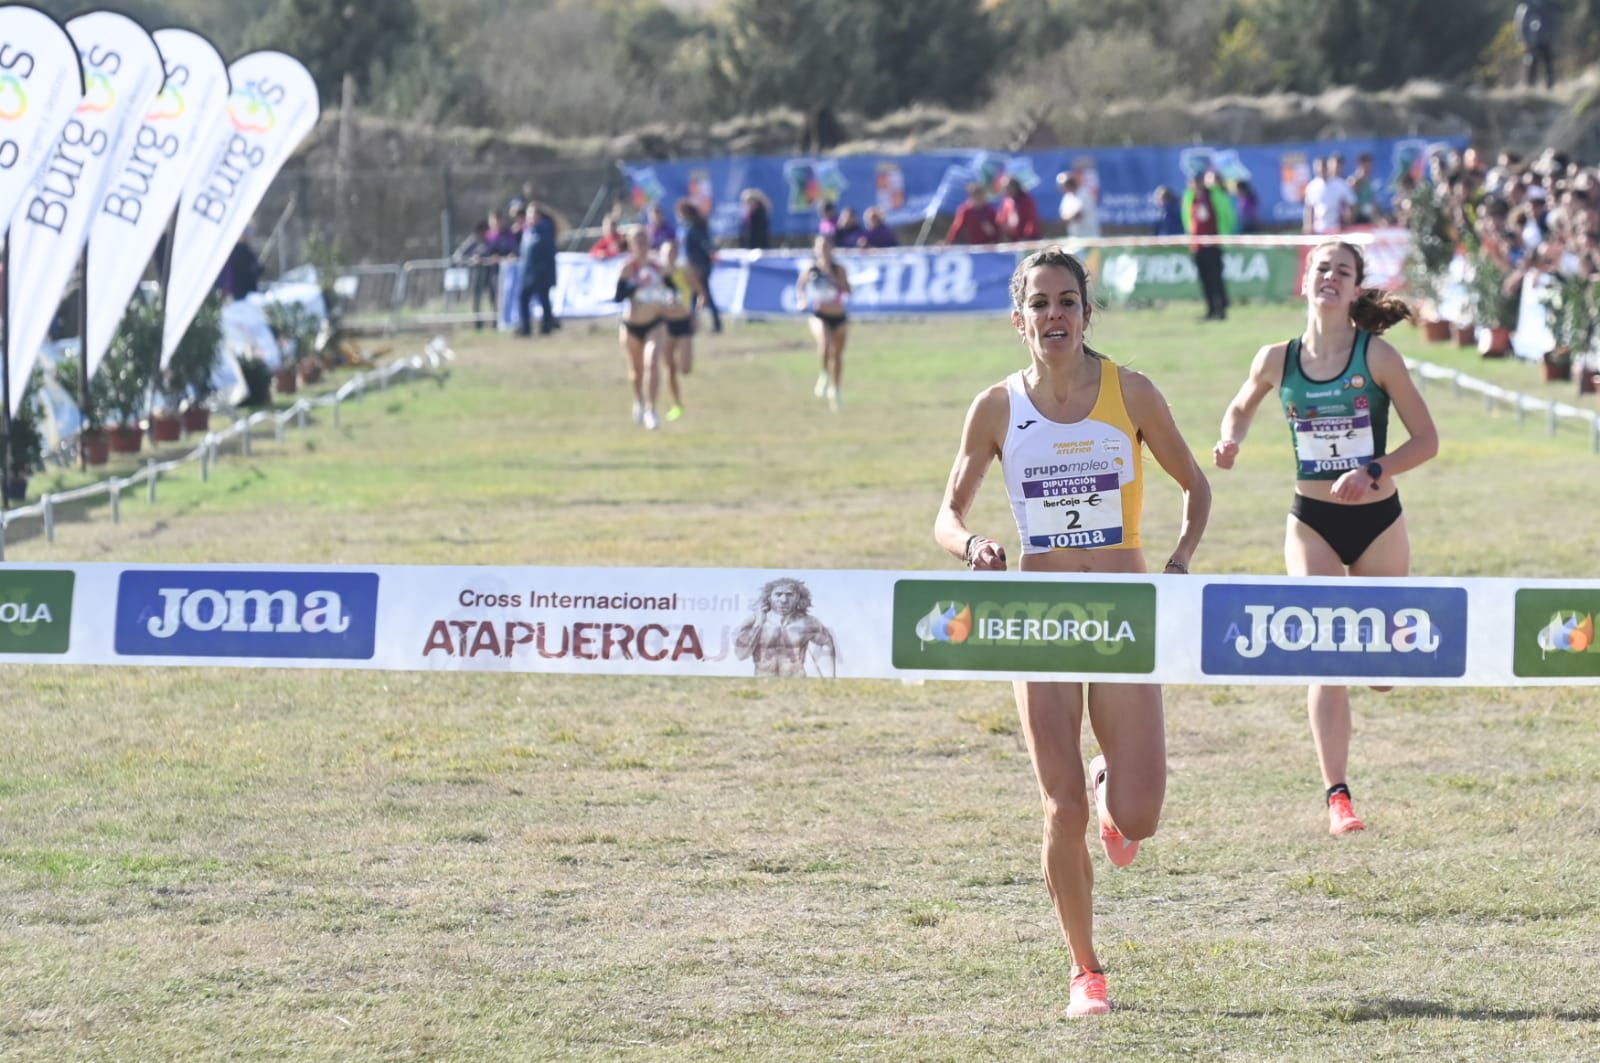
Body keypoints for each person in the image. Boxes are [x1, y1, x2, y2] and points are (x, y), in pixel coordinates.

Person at [932, 246, 1210, 1018]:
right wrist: (973, 545)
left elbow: (1197, 485)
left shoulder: (1132, 392)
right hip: (1040, 618)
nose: (1053, 316)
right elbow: (945, 515)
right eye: (1039, 304)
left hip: (1121, 617)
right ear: (1017, 318)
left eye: (1067, 302)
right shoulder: (995, 407)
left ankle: (1110, 788)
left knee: (1140, 813)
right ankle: (1086, 971)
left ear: (1088, 313)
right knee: (1062, 810)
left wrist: (1181, 558)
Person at [1213, 240, 1439, 836]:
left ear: (1356, 288)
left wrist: (1374, 470)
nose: (1330, 277)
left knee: (1384, 669)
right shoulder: (1275, 358)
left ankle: (1376, 663)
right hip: (1310, 521)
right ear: (1306, 280)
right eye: (1322, 268)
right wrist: (1230, 438)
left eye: (1343, 271)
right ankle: (1338, 796)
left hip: (1377, 519)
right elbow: (1238, 408)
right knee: (1326, 653)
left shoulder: (1378, 357)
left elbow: (1426, 441)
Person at [612, 226, 673, 430]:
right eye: (637, 240)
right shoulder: (627, 268)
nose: (641, 245)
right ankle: (638, 400)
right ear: (630, 244)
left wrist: (666, 297)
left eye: (644, 240)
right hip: (631, 326)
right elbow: (618, 296)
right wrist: (637, 286)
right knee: (636, 372)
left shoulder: (659, 267)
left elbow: (672, 290)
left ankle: (651, 410)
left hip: (655, 322)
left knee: (652, 362)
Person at [734, 577, 837, 677]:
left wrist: (830, 678)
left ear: (797, 598)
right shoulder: (754, 620)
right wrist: (759, 624)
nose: (783, 600)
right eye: (778, 594)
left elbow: (827, 644)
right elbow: (740, 655)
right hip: (763, 681)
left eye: (789, 595)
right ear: (769, 597)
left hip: (796, 682)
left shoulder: (808, 622)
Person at [797, 235, 851, 412]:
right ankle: (824, 373)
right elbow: (801, 287)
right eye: (820, 246)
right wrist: (802, 301)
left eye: (827, 246)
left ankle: (835, 391)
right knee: (825, 345)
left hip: (839, 315)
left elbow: (847, 291)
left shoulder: (838, 269)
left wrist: (834, 281)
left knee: (837, 356)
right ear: (815, 249)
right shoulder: (811, 269)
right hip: (819, 314)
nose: (823, 250)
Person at [657, 238, 703, 423]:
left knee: (684, 369)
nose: (669, 257)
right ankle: (677, 404)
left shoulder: (684, 272)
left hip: (683, 321)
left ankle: (689, 358)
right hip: (664, 323)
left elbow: (701, 293)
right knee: (669, 366)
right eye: (666, 253)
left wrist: (697, 314)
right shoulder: (656, 273)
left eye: (672, 253)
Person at [1183, 169, 1235, 321]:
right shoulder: (1190, 197)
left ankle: (1221, 309)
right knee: (1204, 279)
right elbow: (1188, 219)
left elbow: (1227, 216)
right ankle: (1211, 310)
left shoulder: (1214, 195)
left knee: (1216, 278)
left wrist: (1223, 236)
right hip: (1198, 245)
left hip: (1213, 244)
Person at [516, 202, 559, 337]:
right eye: (528, 214)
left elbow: (549, 254)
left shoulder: (545, 232)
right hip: (527, 274)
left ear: (539, 216)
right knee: (523, 299)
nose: (529, 217)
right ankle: (525, 328)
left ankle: (547, 326)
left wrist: (544, 271)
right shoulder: (527, 232)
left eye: (532, 214)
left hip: (541, 274)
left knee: (544, 300)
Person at [1516, 0, 1558, 89]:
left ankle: (1550, 85)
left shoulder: (1547, 4)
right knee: (1531, 62)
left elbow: (1552, 21)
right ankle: (1529, 86)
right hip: (1532, 40)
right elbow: (1520, 25)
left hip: (1545, 39)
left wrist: (1552, 35)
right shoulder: (1526, 7)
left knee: (1548, 62)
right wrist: (1522, 40)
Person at [1056, 171, 1100, 239]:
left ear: (1068, 184)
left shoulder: (1084, 193)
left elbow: (1079, 214)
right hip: (1075, 238)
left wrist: (1067, 218)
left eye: (1061, 186)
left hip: (1089, 238)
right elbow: (1063, 216)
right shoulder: (1067, 197)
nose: (1060, 188)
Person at [997, 176, 1041, 242]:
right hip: (1013, 239)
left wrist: (1027, 236)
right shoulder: (1007, 202)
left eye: (1009, 188)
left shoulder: (1026, 200)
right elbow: (1001, 219)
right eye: (1005, 188)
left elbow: (1031, 220)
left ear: (1015, 187)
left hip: (1028, 240)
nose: (1006, 190)